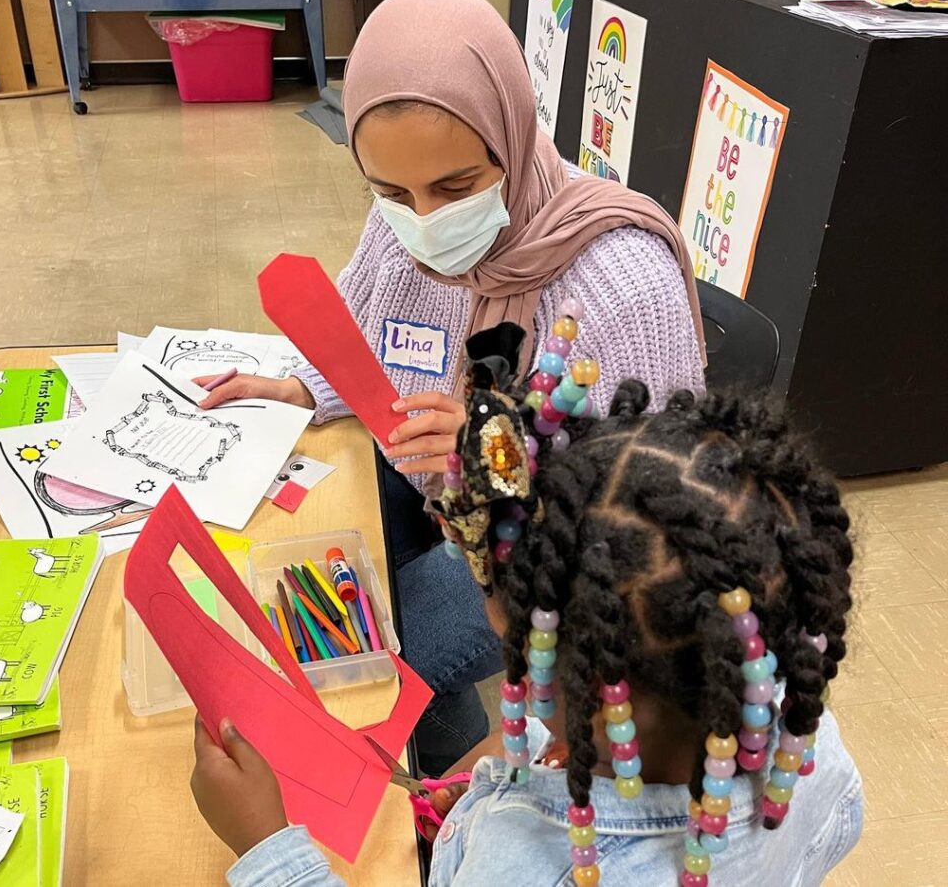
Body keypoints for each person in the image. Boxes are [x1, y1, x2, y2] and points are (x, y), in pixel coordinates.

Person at [196, 0, 707, 774]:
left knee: (367, 661)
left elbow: (646, 525)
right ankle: (432, 772)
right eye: (392, 193)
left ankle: (428, 790)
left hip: (541, 556)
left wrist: (497, 466)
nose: (425, 221)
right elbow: (364, 334)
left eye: (457, 185)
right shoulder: (399, 224)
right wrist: (301, 384)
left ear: (512, 134)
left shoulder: (621, 284)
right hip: (435, 499)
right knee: (322, 587)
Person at [187, 324, 862, 887]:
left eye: (513, 644)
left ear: (588, 695)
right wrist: (507, 773)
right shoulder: (802, 735)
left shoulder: (527, 867)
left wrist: (267, 848)